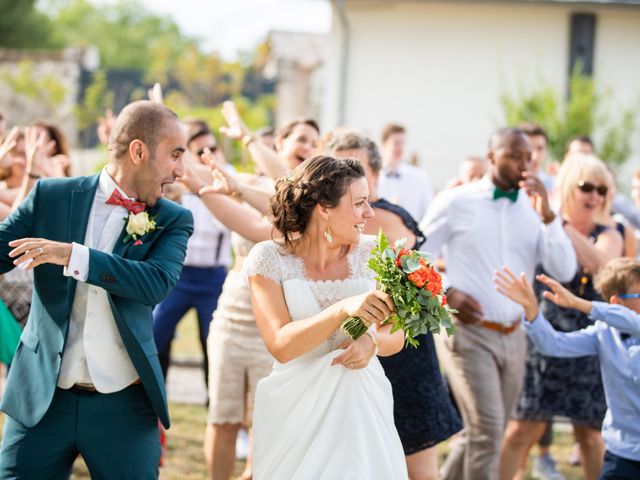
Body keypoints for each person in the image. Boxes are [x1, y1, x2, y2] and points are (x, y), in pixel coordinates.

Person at [0, 100, 193, 478]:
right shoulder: (50, 196)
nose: (181, 171)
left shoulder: (173, 219)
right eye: (175, 155)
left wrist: (75, 255)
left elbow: (155, 283)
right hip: (43, 396)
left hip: (123, 404)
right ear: (138, 151)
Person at [420, 127, 577, 480]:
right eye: (514, 155)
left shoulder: (536, 210)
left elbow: (564, 269)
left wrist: (550, 219)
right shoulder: (456, 202)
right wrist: (447, 290)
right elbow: (414, 256)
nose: (524, 164)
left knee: (484, 432)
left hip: (515, 335)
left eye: (528, 157)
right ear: (491, 156)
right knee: (489, 432)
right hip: (468, 333)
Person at [245, 155, 407, 479]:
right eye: (360, 203)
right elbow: (280, 345)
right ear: (324, 208)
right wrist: (342, 310)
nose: (369, 214)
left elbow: (398, 335)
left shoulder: (374, 254)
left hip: (360, 404)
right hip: (295, 405)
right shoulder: (269, 259)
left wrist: (372, 342)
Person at [327, 131, 461, 480]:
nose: (346, 178)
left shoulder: (381, 216)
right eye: (336, 170)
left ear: (375, 174)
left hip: (402, 354)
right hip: (356, 349)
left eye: (353, 168)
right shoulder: (341, 220)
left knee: (416, 467)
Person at [501, 153, 624, 480]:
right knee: (522, 428)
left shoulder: (611, 230)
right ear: (570, 186)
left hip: (592, 341)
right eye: (587, 187)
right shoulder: (539, 223)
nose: (595, 196)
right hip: (543, 332)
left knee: (590, 435)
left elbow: (604, 267)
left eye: (602, 189)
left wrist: (560, 223)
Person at [494, 258, 640, 480]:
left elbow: (633, 323)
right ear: (616, 302)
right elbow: (553, 345)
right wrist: (531, 309)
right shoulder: (603, 332)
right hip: (623, 451)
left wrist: (578, 303)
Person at [152, 121, 232, 388]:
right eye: (199, 151)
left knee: (213, 343)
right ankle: (153, 404)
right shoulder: (175, 180)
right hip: (179, 274)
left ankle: (215, 406)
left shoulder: (226, 178)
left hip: (213, 277)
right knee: (155, 334)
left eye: (212, 148)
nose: (207, 155)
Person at [377, 123, 434, 221]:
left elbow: (428, 213)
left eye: (403, 143)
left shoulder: (420, 176)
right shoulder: (373, 176)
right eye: (396, 143)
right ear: (383, 144)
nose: (400, 149)